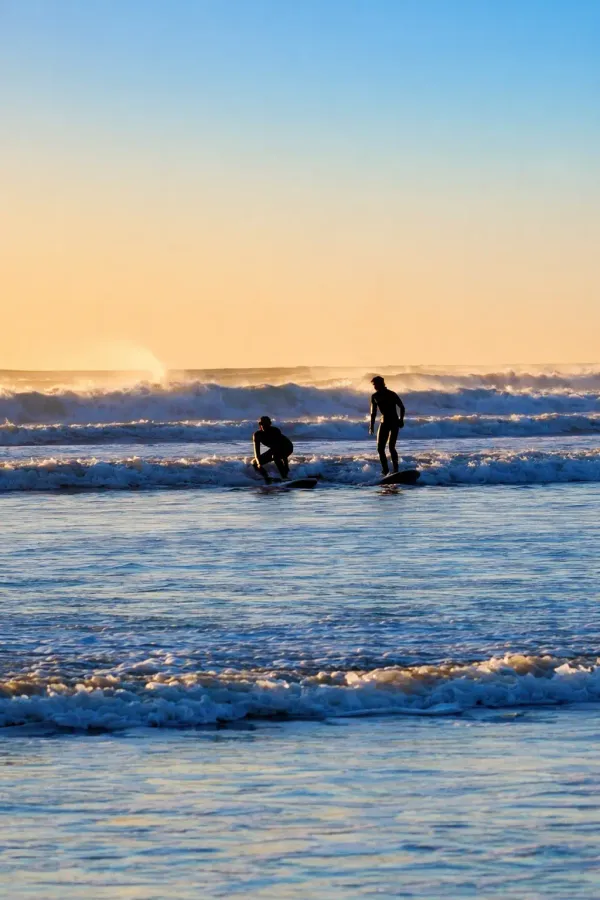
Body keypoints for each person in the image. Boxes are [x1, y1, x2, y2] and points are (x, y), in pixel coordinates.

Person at [369, 375, 405, 475]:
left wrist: (401, 420)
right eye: (374, 385)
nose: (375, 386)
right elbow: (373, 413)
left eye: (376, 384)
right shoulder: (374, 396)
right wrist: (371, 425)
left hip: (394, 422)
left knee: (391, 447)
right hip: (384, 423)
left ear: (381, 384)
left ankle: (396, 470)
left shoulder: (392, 394)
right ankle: (385, 470)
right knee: (380, 449)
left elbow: (402, 407)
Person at [252, 416, 294, 483]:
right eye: (263, 424)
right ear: (260, 424)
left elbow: (279, 448)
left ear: (270, 423)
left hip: (287, 447)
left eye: (267, 424)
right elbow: (257, 452)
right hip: (274, 449)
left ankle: (284, 477)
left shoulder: (275, 431)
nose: (265, 426)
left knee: (275, 456)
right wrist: (259, 463)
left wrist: (286, 465)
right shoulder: (257, 435)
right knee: (254, 463)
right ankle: (267, 478)